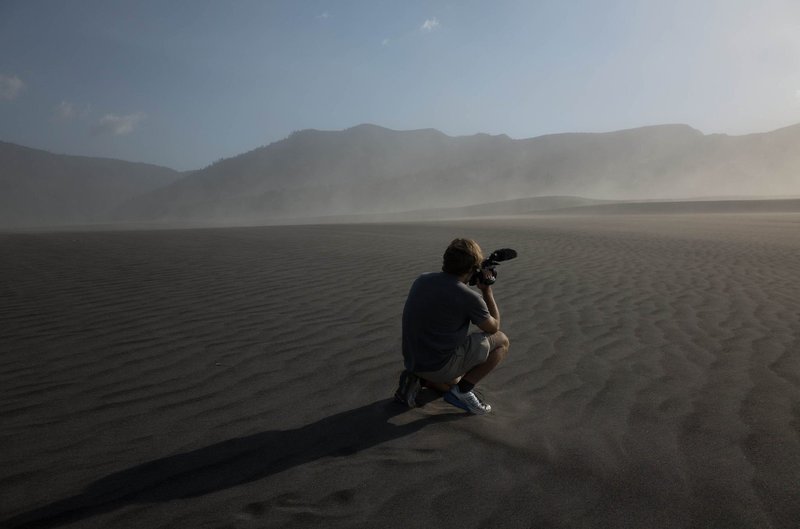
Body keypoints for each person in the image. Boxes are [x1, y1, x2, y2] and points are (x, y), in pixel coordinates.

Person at [395, 238, 510, 414]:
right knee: (502, 341)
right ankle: (463, 392)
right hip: (438, 365)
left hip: (414, 360)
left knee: (452, 382)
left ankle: (418, 380)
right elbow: (493, 327)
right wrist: (487, 291)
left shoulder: (421, 280)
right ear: (472, 268)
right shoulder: (469, 298)